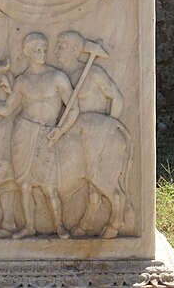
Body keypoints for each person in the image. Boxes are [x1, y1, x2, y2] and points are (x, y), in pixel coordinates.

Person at [0, 32, 76, 239]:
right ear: (26, 52)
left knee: (49, 186)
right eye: (37, 50)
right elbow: (7, 109)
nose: (42, 54)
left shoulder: (57, 77)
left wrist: (60, 130)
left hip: (47, 134)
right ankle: (29, 226)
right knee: (24, 185)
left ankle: (59, 224)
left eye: (44, 49)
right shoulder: (22, 81)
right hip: (23, 134)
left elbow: (73, 109)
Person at [55, 30, 125, 236]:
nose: (56, 50)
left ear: (76, 50)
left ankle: (115, 219)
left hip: (96, 132)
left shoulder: (92, 73)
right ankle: (86, 221)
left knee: (97, 176)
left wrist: (108, 127)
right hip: (74, 135)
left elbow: (117, 97)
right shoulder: (61, 76)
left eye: (62, 46)